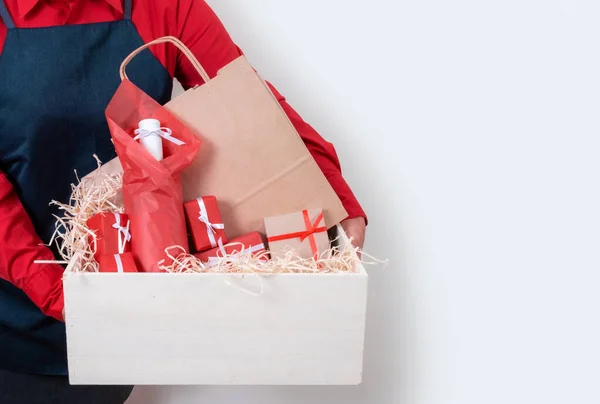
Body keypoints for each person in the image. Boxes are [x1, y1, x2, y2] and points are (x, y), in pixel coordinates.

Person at [0, 0, 367, 402]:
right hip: (13, 324)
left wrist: (337, 196)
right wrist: (57, 290)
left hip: (120, 317)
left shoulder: (165, 6)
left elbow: (250, 104)